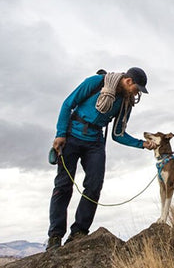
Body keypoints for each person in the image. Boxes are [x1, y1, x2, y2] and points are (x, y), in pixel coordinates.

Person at [46, 67, 157, 250]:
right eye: (137, 89)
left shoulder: (125, 103)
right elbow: (68, 104)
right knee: (63, 185)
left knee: (94, 186)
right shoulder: (96, 83)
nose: (137, 94)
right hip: (72, 136)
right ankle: (55, 236)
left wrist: (141, 144)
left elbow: (118, 134)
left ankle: (79, 232)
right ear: (129, 81)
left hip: (95, 143)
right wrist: (60, 134)